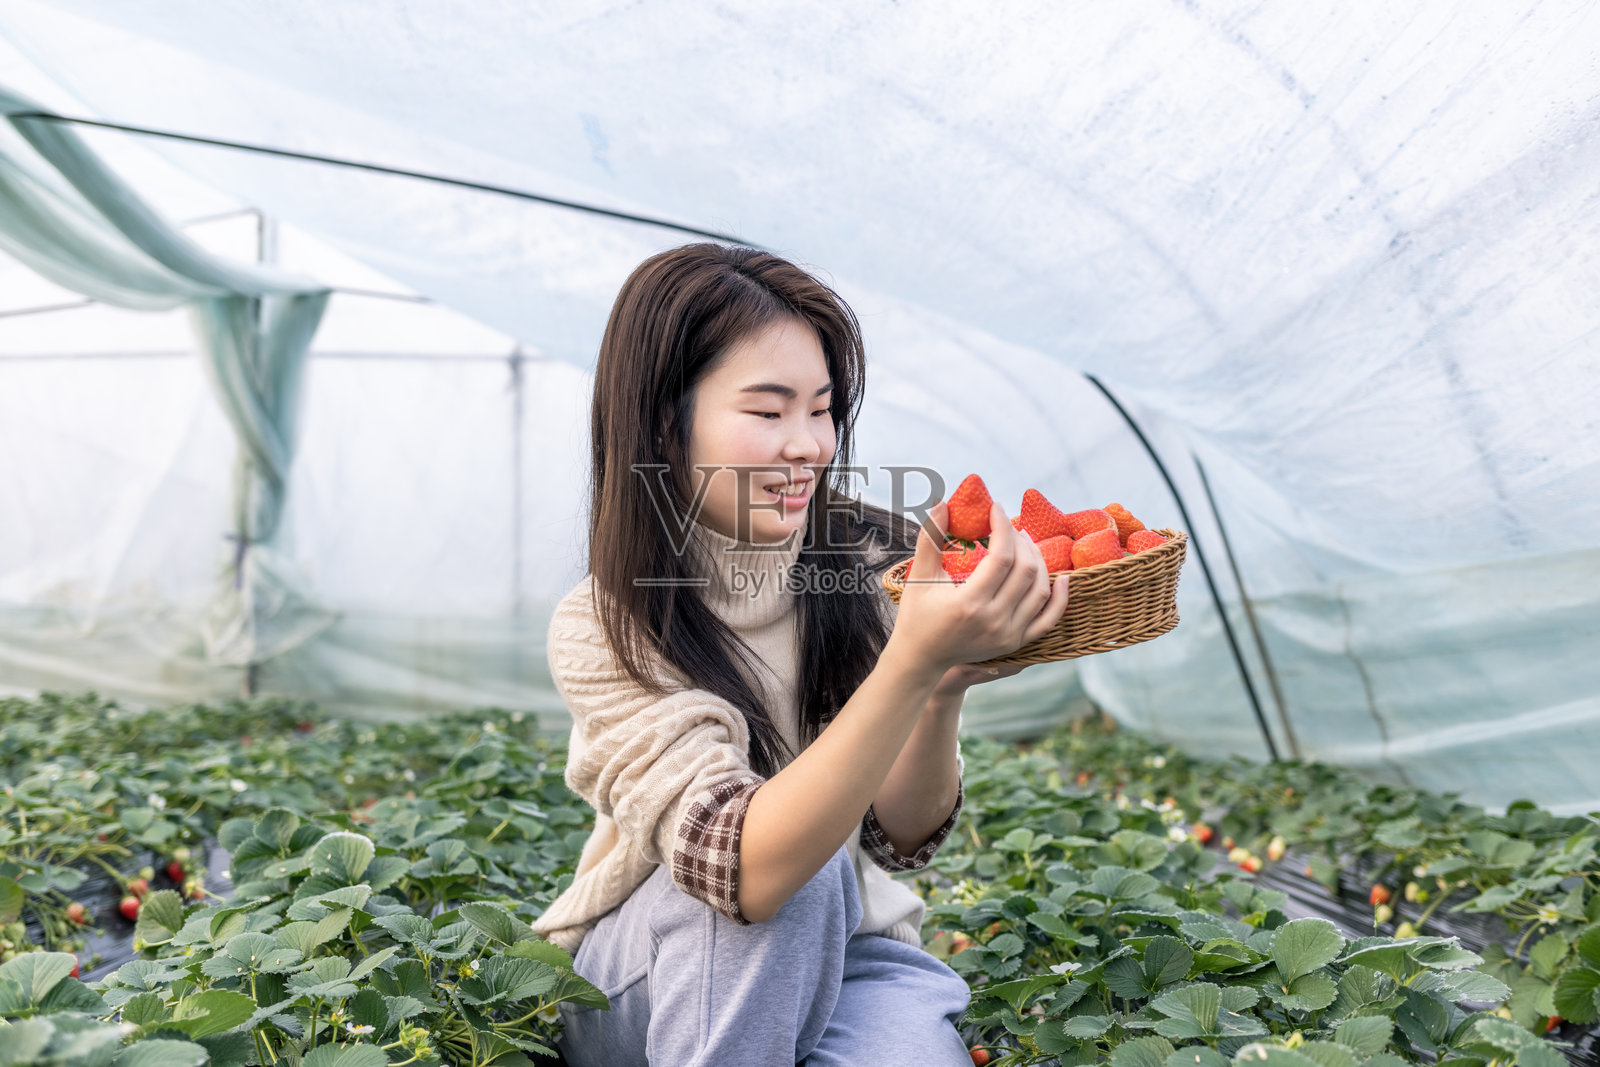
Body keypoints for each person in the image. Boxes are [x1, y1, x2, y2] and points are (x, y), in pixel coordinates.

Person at [532, 242, 1070, 1065]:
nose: (809, 445)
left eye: (820, 409)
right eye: (768, 410)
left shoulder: (861, 569)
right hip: (651, 966)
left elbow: (899, 838)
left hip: (851, 955)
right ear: (665, 426)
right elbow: (739, 870)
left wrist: (938, 688)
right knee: (794, 872)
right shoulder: (606, 624)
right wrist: (908, 663)